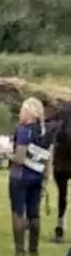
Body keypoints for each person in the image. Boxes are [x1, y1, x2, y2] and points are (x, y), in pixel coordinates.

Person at [9, 96, 51, 256]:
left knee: (18, 211)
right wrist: (46, 177)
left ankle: (20, 250)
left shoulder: (23, 130)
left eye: (22, 110)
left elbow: (19, 158)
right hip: (37, 176)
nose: (20, 113)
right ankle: (34, 249)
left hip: (20, 176)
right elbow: (48, 157)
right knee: (34, 212)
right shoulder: (44, 131)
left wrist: (5, 153)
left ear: (29, 113)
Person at [51, 102, 71, 244]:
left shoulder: (63, 110)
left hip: (61, 162)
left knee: (62, 195)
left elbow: (50, 125)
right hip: (63, 160)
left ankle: (60, 228)